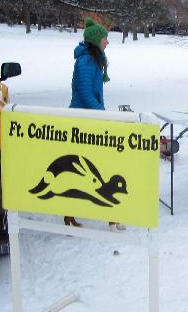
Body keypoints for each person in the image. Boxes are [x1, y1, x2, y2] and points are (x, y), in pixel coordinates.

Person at [66, 17, 122, 231]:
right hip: (83, 121)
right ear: (96, 40)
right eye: (105, 38)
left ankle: (75, 214)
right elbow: (84, 91)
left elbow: (95, 92)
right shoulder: (87, 61)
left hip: (90, 118)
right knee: (85, 167)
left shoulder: (93, 58)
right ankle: (71, 213)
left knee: (91, 166)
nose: (107, 42)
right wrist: (101, 114)